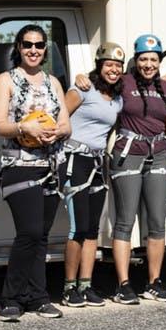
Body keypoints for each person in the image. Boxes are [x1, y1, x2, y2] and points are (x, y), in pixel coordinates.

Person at [0, 24, 71, 321]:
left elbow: (66, 124)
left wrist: (55, 133)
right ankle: (10, 297)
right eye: (27, 44)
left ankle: (37, 297)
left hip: (51, 165)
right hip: (19, 165)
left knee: (42, 236)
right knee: (29, 232)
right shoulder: (5, 80)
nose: (33, 50)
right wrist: (25, 127)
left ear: (46, 48)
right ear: (18, 47)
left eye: (38, 45)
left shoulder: (54, 83)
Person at [109, 34, 166, 304]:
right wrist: (83, 79)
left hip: (160, 156)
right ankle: (123, 285)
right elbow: (98, 81)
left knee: (157, 222)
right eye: (143, 59)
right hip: (128, 154)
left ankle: (154, 282)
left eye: (153, 59)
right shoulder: (123, 82)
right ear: (135, 60)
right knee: (125, 220)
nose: (148, 64)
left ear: (159, 60)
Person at [61, 42, 125, 308]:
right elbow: (59, 118)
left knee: (92, 229)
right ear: (99, 66)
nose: (114, 70)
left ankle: (86, 285)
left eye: (118, 66)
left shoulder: (118, 98)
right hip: (76, 160)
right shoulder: (82, 89)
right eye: (108, 64)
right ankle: (68, 288)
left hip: (99, 163)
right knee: (77, 227)